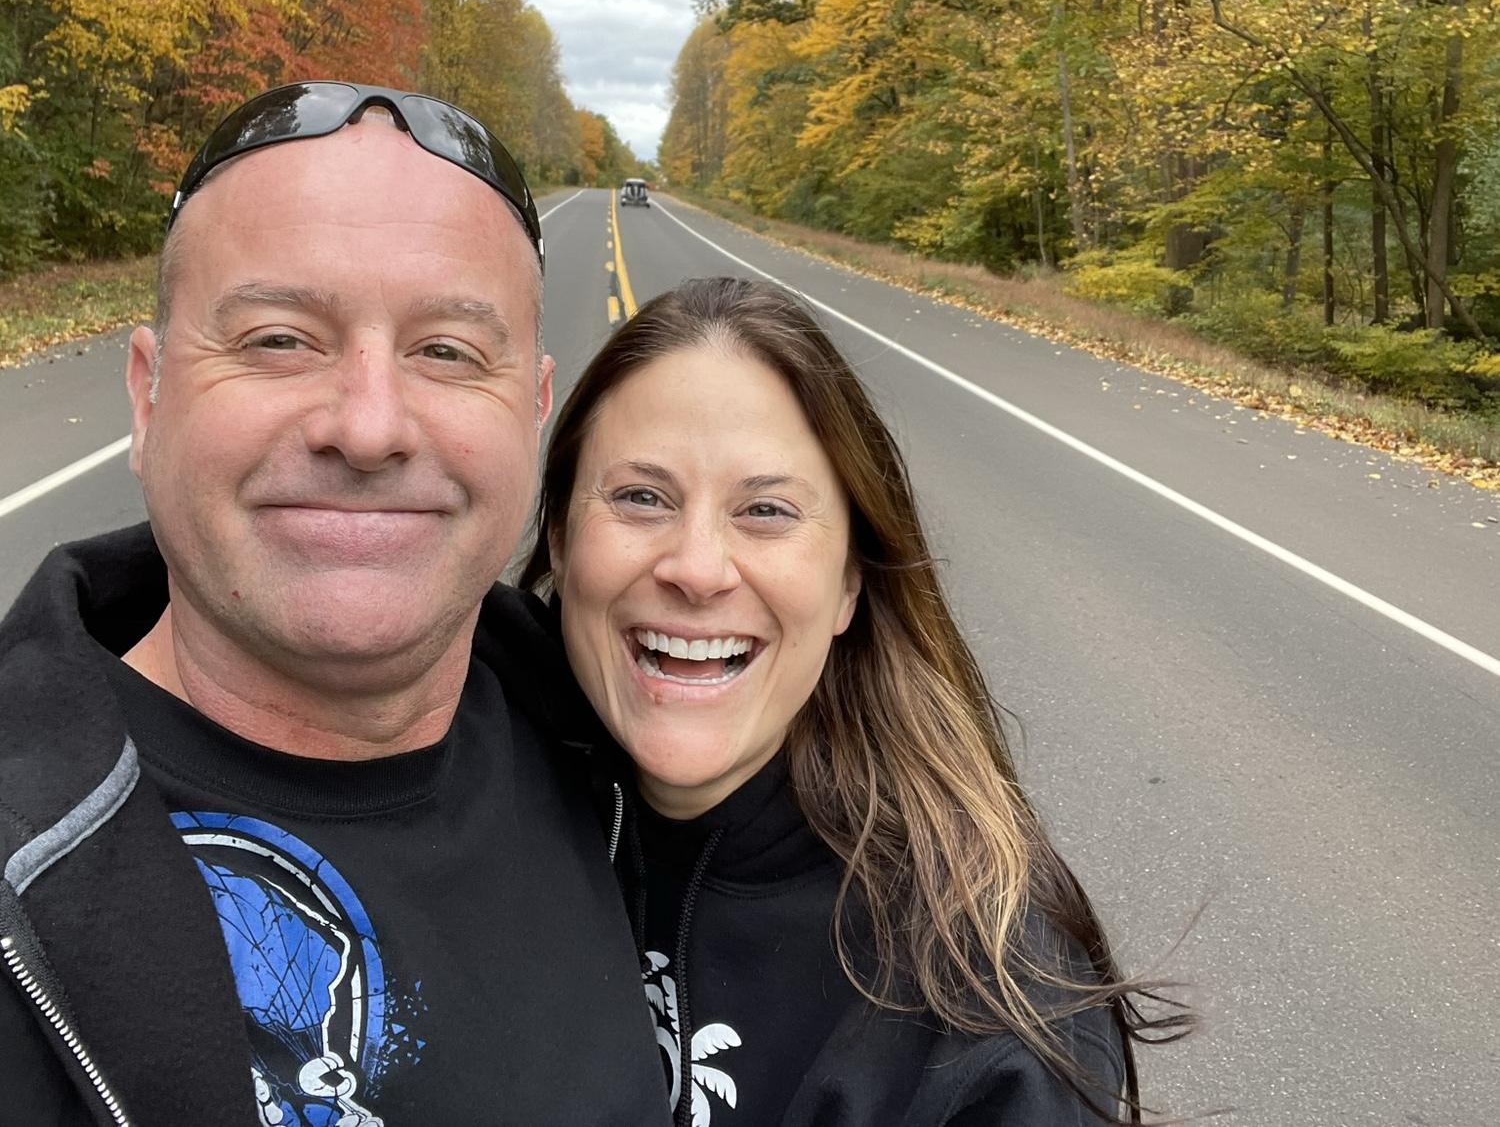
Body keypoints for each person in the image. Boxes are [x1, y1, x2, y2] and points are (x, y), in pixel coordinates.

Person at [0, 83, 671, 1125]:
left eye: (446, 351)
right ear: (147, 395)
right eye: (279, 338)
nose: (367, 426)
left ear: (532, 414)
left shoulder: (643, 766)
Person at [522, 277, 1190, 1127]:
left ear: (848, 586)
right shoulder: (458, 780)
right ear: (560, 541)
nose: (696, 568)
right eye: (640, 497)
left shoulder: (976, 1007)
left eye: (765, 511)